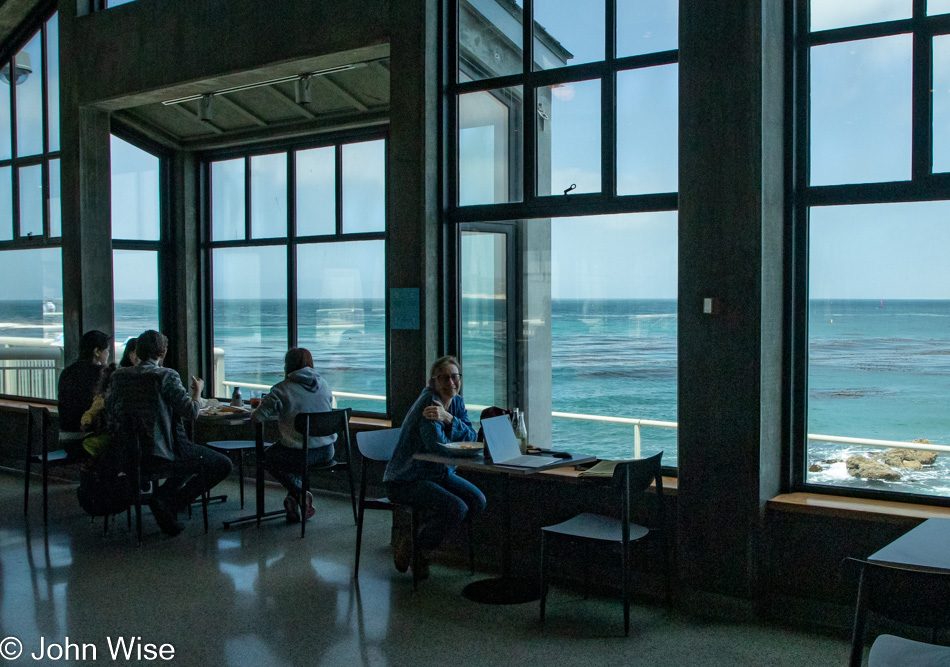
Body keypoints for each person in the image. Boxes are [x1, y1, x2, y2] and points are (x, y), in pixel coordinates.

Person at [106, 329, 232, 536]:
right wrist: (197, 391)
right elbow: (191, 412)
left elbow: (111, 408)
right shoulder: (166, 376)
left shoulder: (119, 376)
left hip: (129, 453)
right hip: (165, 451)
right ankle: (169, 501)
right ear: (162, 352)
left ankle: (165, 501)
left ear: (137, 350)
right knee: (221, 464)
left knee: (189, 459)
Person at [383, 355, 486, 578]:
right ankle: (418, 549)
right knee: (456, 508)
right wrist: (453, 431)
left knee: (477, 501)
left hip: (438, 473)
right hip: (407, 478)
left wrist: (449, 419)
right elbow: (437, 446)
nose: (451, 383)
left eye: (455, 377)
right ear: (433, 382)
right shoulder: (429, 404)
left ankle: (415, 536)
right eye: (444, 378)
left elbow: (472, 436)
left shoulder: (456, 402)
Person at [251, 348, 335, 523]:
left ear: (287, 365)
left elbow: (257, 417)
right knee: (295, 456)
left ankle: (299, 493)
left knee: (267, 456)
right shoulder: (324, 384)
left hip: (300, 453)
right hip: (327, 450)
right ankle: (293, 505)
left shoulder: (281, 389)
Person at [57, 330, 111, 457]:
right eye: (107, 350)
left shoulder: (67, 372)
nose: (108, 354)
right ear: (97, 351)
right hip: (84, 437)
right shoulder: (100, 373)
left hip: (65, 438)